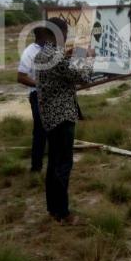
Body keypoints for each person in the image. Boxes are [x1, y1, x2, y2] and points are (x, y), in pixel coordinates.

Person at [35, 18, 94, 224]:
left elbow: (63, 72)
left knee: (53, 164)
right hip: (62, 117)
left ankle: (54, 208)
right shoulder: (55, 56)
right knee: (62, 165)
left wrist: (72, 56)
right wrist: (87, 57)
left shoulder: (44, 53)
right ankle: (62, 212)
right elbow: (83, 77)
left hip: (51, 116)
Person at [17, 25, 49, 172]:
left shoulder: (51, 49)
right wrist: (41, 85)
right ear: (41, 36)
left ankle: (53, 163)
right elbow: (21, 77)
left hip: (53, 95)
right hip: (38, 95)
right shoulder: (29, 53)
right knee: (40, 131)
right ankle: (36, 167)